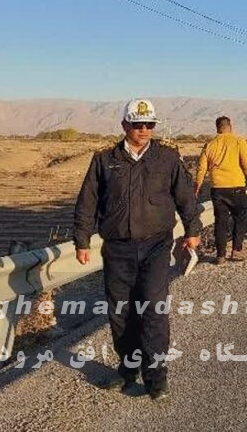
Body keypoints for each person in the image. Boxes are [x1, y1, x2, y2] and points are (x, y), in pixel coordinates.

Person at [73, 99, 200, 401]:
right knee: (121, 314)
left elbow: (185, 197)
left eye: (149, 125)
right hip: (117, 249)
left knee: (154, 311)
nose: (144, 130)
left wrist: (193, 231)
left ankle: (156, 378)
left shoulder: (167, 158)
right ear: (125, 126)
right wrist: (82, 240)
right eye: (138, 124)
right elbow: (87, 202)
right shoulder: (105, 160)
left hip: (156, 245)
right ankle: (128, 370)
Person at [194, 116, 247, 263]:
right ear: (230, 126)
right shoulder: (238, 141)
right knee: (239, 218)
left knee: (220, 221)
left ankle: (220, 255)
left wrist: (197, 187)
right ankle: (236, 250)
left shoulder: (210, 145)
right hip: (236, 186)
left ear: (217, 128)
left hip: (218, 188)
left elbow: (201, 168)